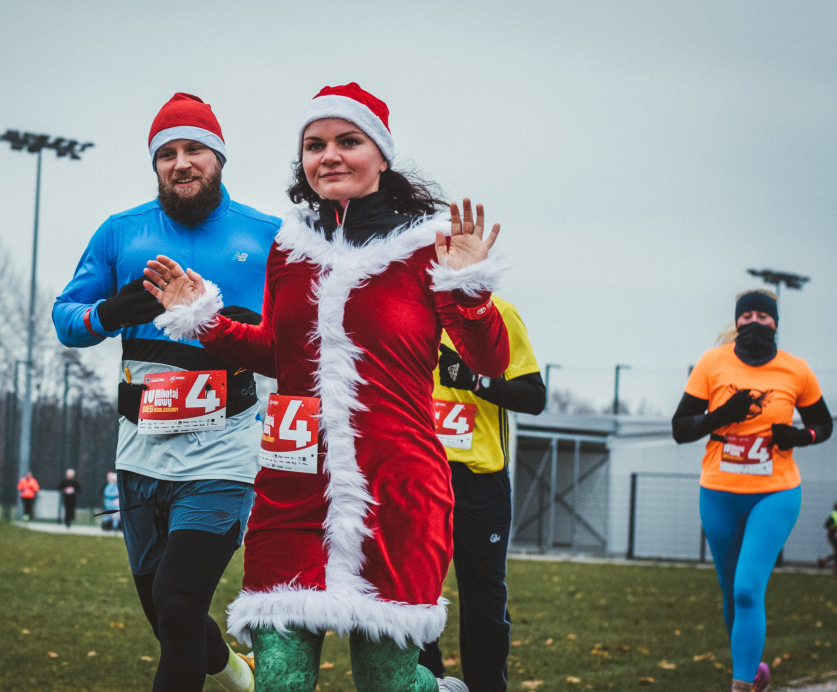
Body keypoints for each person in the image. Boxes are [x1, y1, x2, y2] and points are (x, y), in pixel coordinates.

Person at [145, 82, 510, 692]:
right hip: (294, 487)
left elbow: (490, 360)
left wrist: (469, 287)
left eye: (349, 141)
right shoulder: (290, 250)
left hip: (395, 490)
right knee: (281, 680)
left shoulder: (430, 246)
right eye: (315, 145)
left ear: (382, 156)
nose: (330, 156)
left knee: (385, 682)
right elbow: (279, 353)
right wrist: (203, 318)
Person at [52, 92, 279, 692]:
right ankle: (233, 671)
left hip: (226, 452)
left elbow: (303, 337)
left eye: (195, 150)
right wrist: (109, 312)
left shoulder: (268, 237)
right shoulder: (121, 232)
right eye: (167, 154)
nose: (181, 163)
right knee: (163, 610)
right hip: (141, 452)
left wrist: (243, 325)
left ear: (219, 159)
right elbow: (65, 318)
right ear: (155, 165)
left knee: (178, 603)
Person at [671, 289, 832, 692]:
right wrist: (723, 415)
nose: (755, 322)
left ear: (775, 323)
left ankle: (740, 687)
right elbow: (680, 429)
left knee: (747, 588)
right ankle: (753, 670)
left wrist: (799, 436)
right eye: (748, 316)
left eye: (764, 315)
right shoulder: (712, 363)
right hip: (720, 493)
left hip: (775, 492)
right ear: (737, 321)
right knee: (731, 591)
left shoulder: (796, 370)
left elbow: (824, 425)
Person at [419, 297, 546, 691]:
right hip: (418, 473)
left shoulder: (499, 313)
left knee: (484, 602)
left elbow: (534, 397)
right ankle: (427, 682)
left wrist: (475, 381)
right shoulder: (404, 305)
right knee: (413, 595)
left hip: (479, 480)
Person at [819, 502, 837, 573]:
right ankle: (825, 560)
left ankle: (825, 560)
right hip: (832, 536)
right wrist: (834, 527)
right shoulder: (834, 516)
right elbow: (826, 525)